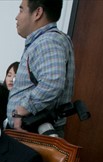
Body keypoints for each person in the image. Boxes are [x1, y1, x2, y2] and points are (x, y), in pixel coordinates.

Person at [7, 0, 75, 135]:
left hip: (33, 131)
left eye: (21, 10)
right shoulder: (53, 39)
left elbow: (52, 83)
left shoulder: (47, 41)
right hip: (32, 130)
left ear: (37, 13)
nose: (16, 17)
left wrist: (22, 110)